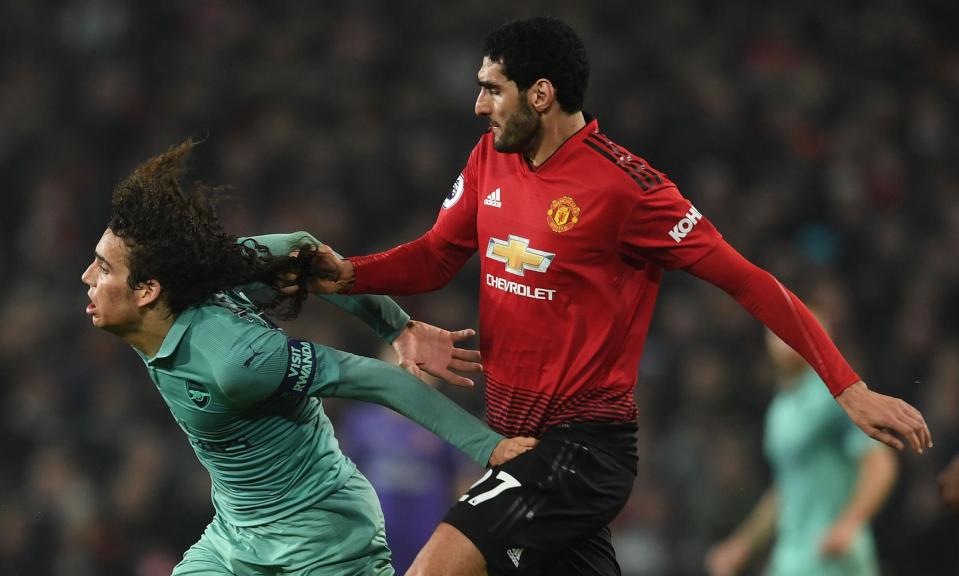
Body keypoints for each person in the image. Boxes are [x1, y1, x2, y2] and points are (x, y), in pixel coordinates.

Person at [309, 16, 932, 576]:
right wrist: (345, 275)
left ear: (541, 94)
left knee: (434, 570)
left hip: (582, 450)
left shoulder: (629, 190)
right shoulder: (490, 159)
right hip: (519, 441)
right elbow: (437, 255)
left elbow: (748, 280)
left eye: (493, 88)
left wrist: (848, 387)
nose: (478, 105)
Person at [80, 139, 536, 576]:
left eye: (103, 268)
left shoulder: (238, 361)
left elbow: (381, 380)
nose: (86, 276)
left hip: (323, 542)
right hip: (235, 538)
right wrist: (397, 327)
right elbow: (304, 253)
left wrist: (490, 447)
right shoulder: (199, 274)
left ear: (147, 291)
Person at [705, 322, 898, 576]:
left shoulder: (835, 398)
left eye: (801, 328)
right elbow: (787, 488)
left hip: (835, 560)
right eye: (780, 328)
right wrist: (743, 543)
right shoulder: (780, 408)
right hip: (793, 559)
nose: (785, 339)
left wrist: (849, 523)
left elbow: (880, 463)